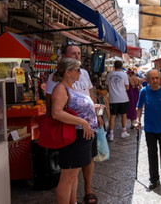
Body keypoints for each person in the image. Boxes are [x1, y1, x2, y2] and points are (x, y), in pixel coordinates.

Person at [45, 44, 101, 204]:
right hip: (73, 136)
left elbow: (75, 106)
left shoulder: (69, 88)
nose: (80, 72)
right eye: (77, 70)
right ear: (68, 72)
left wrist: (94, 108)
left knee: (73, 175)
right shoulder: (61, 88)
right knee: (67, 176)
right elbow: (56, 112)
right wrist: (82, 122)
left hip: (81, 136)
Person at [106, 60, 130, 141]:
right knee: (123, 115)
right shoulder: (124, 74)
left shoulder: (109, 74)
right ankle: (123, 132)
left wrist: (113, 91)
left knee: (112, 116)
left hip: (113, 99)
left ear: (114, 66)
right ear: (121, 66)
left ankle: (111, 134)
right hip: (123, 98)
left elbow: (107, 87)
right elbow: (127, 87)